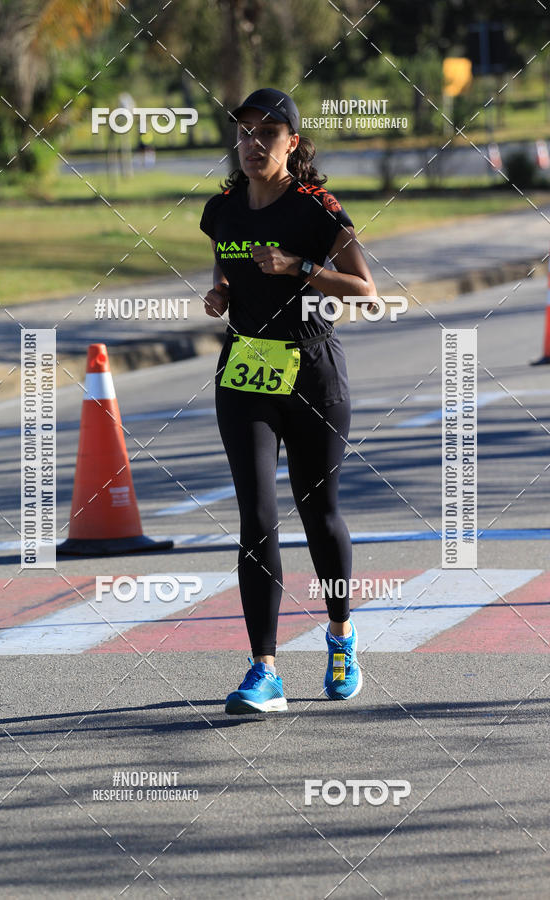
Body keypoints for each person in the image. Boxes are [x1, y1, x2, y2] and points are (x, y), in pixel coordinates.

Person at [199, 88, 377, 715]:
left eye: (267, 134)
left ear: (292, 144)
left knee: (319, 512)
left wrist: (300, 267)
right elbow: (223, 265)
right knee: (256, 517)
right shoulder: (221, 209)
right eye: (244, 132)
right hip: (246, 369)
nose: (251, 145)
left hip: (313, 370)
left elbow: (365, 291)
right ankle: (264, 668)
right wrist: (219, 292)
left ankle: (340, 632)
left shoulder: (317, 209)